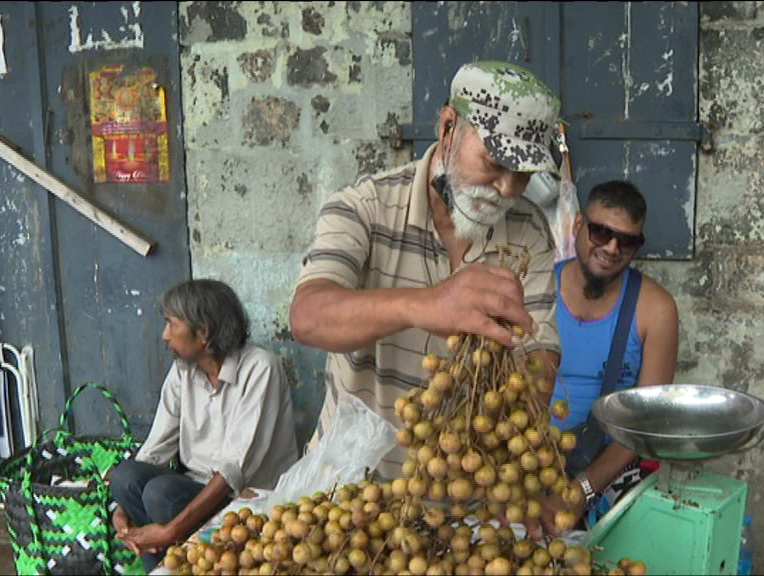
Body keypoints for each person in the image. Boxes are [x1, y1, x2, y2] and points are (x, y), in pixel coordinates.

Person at [289, 61, 563, 480]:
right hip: (348, 486)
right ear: (448, 127)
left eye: (523, 174)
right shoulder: (364, 206)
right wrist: (427, 304)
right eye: (493, 163)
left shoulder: (529, 230)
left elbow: (538, 357)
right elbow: (308, 317)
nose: (507, 188)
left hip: (463, 487)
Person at [110, 279, 299, 571]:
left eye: (172, 324)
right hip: (194, 489)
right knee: (125, 476)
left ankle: (169, 564)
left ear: (204, 333)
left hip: (247, 501)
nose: (164, 336)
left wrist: (170, 531)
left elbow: (233, 471)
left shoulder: (260, 368)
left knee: (160, 493)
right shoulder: (183, 371)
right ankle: (165, 565)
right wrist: (122, 509)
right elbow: (155, 449)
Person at [538, 180, 680, 536]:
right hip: (530, 457)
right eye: (601, 232)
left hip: (611, 461)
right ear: (578, 226)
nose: (612, 248)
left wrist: (583, 490)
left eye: (627, 241)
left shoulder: (656, 309)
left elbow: (645, 423)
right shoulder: (536, 289)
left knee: (649, 527)